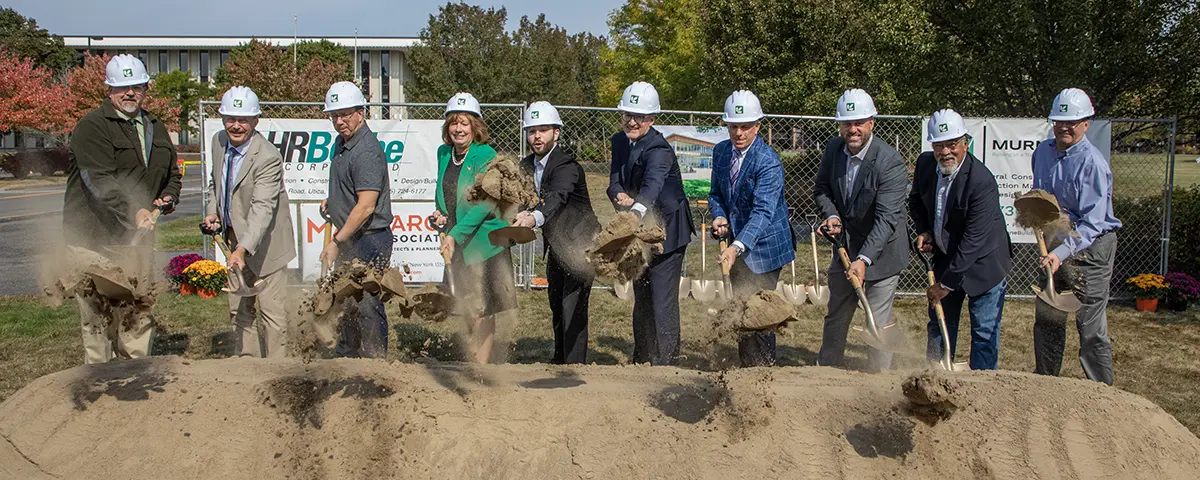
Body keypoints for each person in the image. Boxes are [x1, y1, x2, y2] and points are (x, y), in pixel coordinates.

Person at [63, 54, 182, 363]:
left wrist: (168, 197)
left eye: (136, 86)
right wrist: (134, 210)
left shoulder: (155, 126)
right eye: (122, 87)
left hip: (138, 240)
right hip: (94, 238)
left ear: (145, 88)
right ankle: (99, 379)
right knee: (98, 315)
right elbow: (98, 180)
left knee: (138, 311)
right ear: (109, 90)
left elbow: (171, 173)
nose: (130, 93)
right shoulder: (92, 126)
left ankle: (135, 374)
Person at [812, 88, 908, 371]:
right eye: (846, 123)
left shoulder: (889, 162)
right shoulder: (833, 150)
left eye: (859, 123)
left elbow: (886, 219)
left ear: (871, 123)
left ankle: (878, 381)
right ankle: (827, 371)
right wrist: (831, 216)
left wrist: (863, 259)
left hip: (883, 252)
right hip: (845, 244)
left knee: (876, 319)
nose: (853, 130)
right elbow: (822, 190)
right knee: (837, 314)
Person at [1031, 88, 1122, 385]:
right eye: (1059, 121)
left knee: (1090, 326)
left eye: (1072, 122)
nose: (1064, 127)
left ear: (1087, 123)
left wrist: (1060, 253)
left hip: (1092, 248)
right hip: (1055, 241)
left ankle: (1103, 393)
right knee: (1048, 316)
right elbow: (1043, 200)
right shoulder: (1042, 153)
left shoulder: (1093, 164)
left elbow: (1093, 223)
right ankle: (1046, 382)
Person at [909, 109, 1012, 370]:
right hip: (948, 257)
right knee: (939, 325)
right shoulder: (925, 166)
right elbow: (916, 202)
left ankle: (982, 393)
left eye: (952, 144)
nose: (946, 152)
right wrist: (925, 231)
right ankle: (933, 381)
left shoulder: (981, 182)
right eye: (939, 145)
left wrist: (945, 284)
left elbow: (973, 241)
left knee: (984, 333)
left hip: (984, 263)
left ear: (965, 143)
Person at [202, 86, 297, 358]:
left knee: (271, 314)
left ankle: (277, 374)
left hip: (267, 245)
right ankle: (247, 368)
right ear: (222, 119)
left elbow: (262, 209)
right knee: (239, 310)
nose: (236, 125)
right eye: (230, 118)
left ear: (255, 121)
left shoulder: (267, 156)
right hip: (234, 240)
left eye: (243, 119)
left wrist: (243, 249)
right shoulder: (218, 142)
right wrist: (214, 212)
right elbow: (215, 184)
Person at [606, 81, 696, 366]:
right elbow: (614, 181)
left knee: (662, 300)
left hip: (669, 231)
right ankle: (642, 361)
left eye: (639, 117)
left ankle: (668, 366)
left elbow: (652, 186)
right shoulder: (620, 141)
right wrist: (617, 194)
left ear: (652, 119)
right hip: (641, 230)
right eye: (627, 115)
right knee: (641, 297)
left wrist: (635, 212)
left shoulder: (659, 150)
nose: (631, 121)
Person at [707, 90, 794, 367]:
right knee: (741, 307)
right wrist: (719, 216)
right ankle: (748, 368)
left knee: (759, 312)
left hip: (767, 246)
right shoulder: (720, 152)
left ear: (758, 126)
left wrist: (736, 246)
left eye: (746, 126)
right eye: (734, 126)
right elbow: (716, 194)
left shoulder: (767, 161)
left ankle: (763, 371)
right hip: (737, 245)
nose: (739, 133)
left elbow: (763, 212)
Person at [430, 92, 518, 364]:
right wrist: (440, 214)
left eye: (464, 123)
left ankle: (481, 367)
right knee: (466, 305)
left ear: (475, 127)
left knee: (483, 308)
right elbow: (444, 192)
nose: (458, 129)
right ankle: (471, 358)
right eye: (453, 123)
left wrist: (456, 234)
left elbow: (485, 203)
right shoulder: (444, 153)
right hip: (459, 239)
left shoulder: (485, 154)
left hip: (484, 242)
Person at [513, 101, 601, 364]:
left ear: (556, 133)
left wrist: (533, 218)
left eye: (543, 130)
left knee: (572, 308)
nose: (536, 136)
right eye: (532, 131)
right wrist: (515, 213)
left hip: (581, 245)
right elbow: (520, 196)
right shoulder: (527, 164)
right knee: (556, 305)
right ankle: (560, 361)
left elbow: (556, 198)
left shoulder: (567, 166)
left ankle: (574, 368)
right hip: (557, 245)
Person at [318, 81, 394, 359]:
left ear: (360, 113)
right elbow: (352, 190)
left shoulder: (366, 150)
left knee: (367, 303)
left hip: (369, 239)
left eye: (345, 114)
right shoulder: (342, 143)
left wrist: (337, 241)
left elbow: (365, 207)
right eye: (334, 115)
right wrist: (335, 201)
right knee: (346, 298)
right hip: (353, 235)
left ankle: (375, 363)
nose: (339, 121)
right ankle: (347, 356)